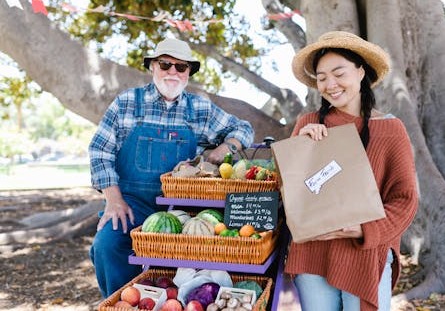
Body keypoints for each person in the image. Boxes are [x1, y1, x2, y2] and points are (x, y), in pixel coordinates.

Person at [88, 37, 255, 297]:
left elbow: (243, 128)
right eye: (165, 64)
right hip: (132, 204)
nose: (173, 72)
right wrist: (114, 200)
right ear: (152, 66)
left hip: (184, 210)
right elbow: (100, 151)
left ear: (189, 72)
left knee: (187, 272)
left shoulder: (199, 108)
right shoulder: (127, 103)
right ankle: (120, 301)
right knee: (107, 246)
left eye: (181, 67)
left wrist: (225, 148)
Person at [285, 31, 419, 311]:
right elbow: (289, 193)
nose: (330, 84)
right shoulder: (307, 124)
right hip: (313, 256)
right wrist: (301, 148)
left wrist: (364, 229)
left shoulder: (391, 130)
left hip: (365, 256)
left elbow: (405, 199)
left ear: (361, 72)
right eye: (321, 78)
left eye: (338, 73)